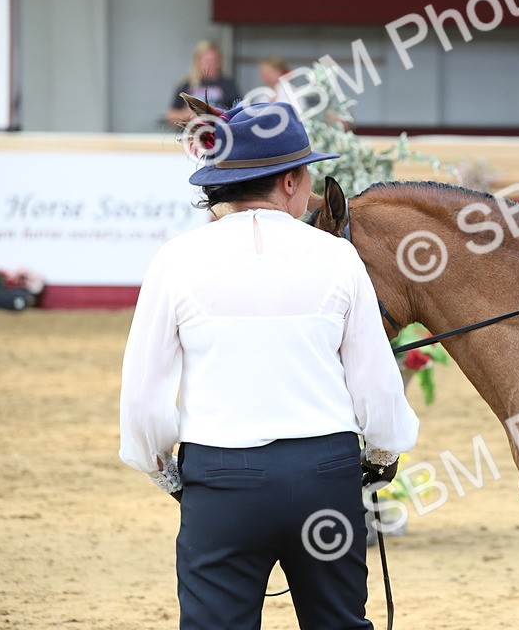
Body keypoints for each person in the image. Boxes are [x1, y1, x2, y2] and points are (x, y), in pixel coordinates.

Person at [120, 99, 419, 628]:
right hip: (325, 474)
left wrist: (167, 474)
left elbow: (144, 401)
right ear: (290, 182)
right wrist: (380, 457)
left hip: (221, 479)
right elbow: (377, 388)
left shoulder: (174, 260)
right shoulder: (337, 257)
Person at [164, 40, 242, 125]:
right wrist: (185, 114)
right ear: (197, 61)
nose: (210, 64)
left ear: (220, 62)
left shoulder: (228, 84)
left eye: (214, 61)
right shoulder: (186, 84)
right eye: (207, 61)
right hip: (191, 132)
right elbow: (170, 115)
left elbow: (240, 112)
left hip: (219, 132)